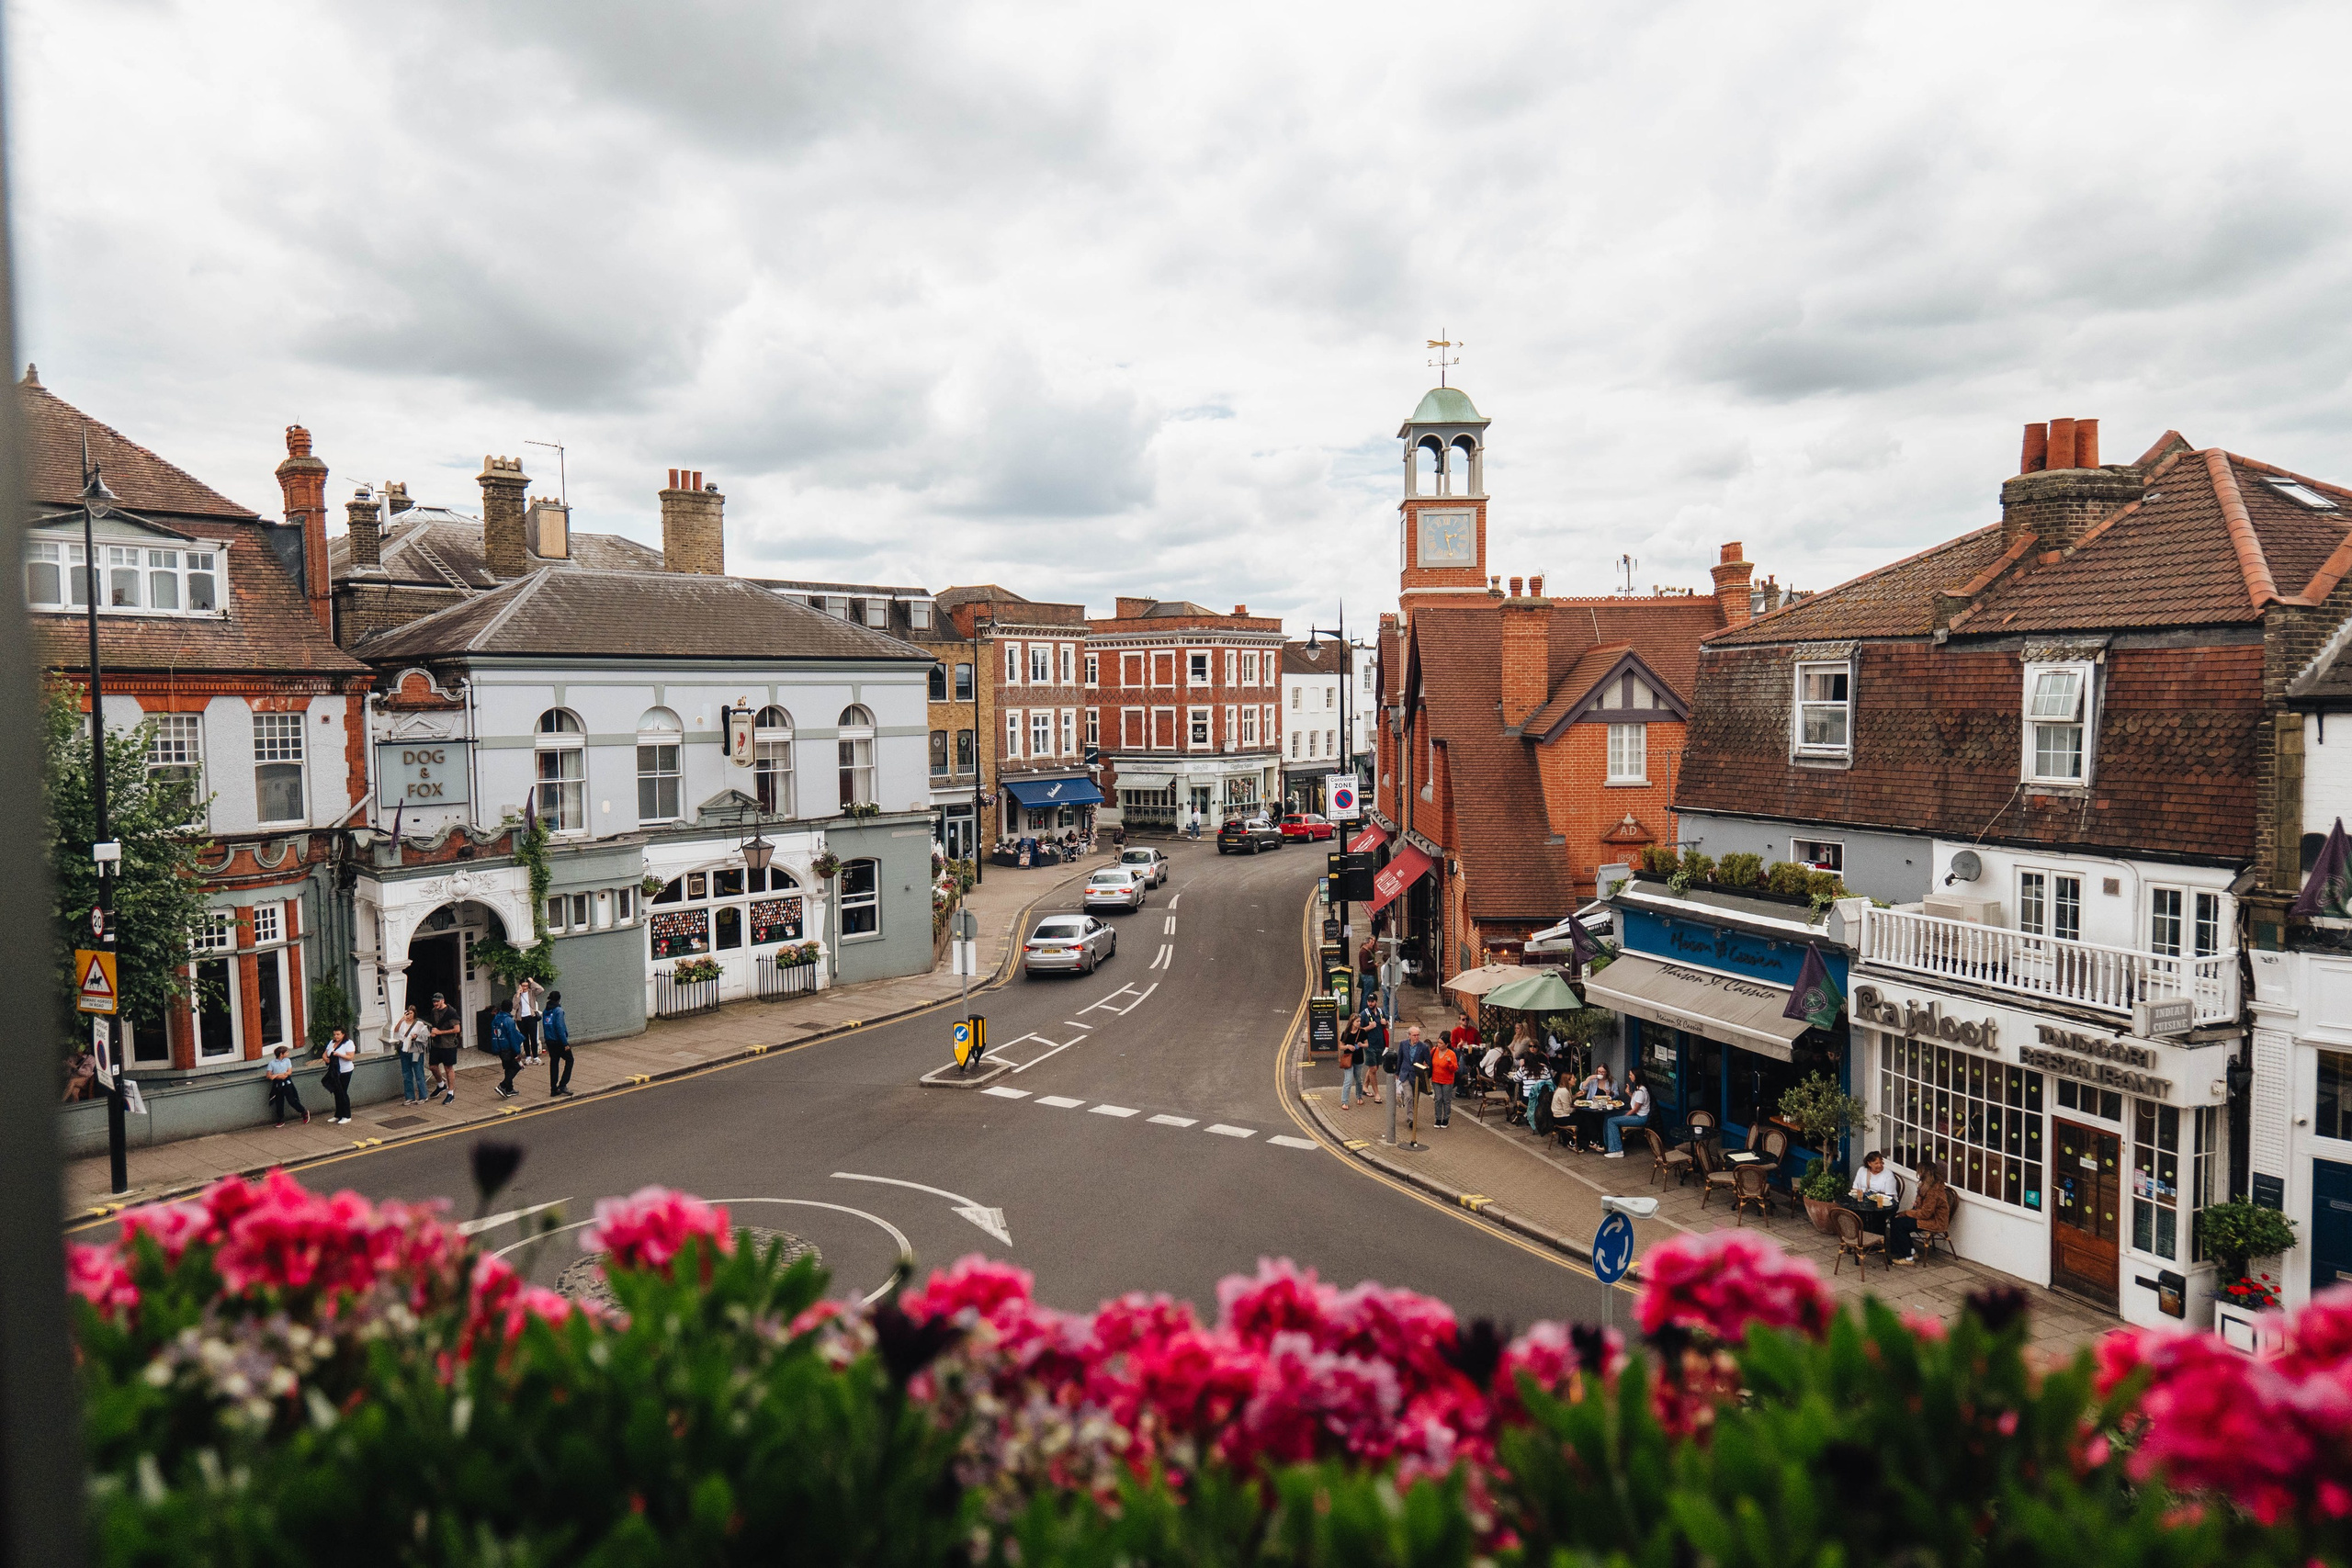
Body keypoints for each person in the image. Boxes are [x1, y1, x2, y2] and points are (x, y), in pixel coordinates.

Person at [1889, 1160, 1951, 1265]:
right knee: (1895, 1219)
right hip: (1925, 1216)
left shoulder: (1933, 1191)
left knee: (1900, 1224)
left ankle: (1908, 1258)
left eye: (1919, 1172)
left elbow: (1925, 1214)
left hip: (1934, 1221)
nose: (1918, 1174)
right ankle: (1911, 1251)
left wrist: (1906, 1213)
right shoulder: (1927, 1186)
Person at [1850, 1150, 1901, 1233]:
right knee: (1856, 1212)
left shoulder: (1888, 1174)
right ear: (1869, 1163)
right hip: (1866, 1200)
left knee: (1876, 1216)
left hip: (1886, 1203)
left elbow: (1889, 1197)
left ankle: (1878, 1240)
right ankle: (1860, 1237)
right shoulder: (1862, 1170)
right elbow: (1855, 1188)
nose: (1880, 1165)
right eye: (1876, 1163)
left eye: (1881, 1162)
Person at [1604, 1067, 1652, 1156]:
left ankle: (1617, 1150)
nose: (1629, 1077)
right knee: (1608, 1115)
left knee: (1612, 1121)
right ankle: (1608, 1145)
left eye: (1631, 1075)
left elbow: (1635, 1110)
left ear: (1636, 1077)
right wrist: (1629, 1093)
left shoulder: (1642, 1091)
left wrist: (1625, 1117)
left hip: (1640, 1118)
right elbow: (1636, 1101)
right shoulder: (1638, 1088)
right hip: (1636, 1114)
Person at [425, 992, 461, 1106]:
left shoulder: (451, 1013)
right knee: (432, 1066)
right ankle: (441, 1085)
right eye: (434, 1001)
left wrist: (440, 1032)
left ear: (443, 1000)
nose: (435, 1003)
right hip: (437, 1044)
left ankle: (450, 1093)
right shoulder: (433, 1011)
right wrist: (433, 1033)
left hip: (448, 1045)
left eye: (437, 1001)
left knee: (448, 1068)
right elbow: (434, 1025)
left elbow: (457, 1029)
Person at [390, 1003, 431, 1105]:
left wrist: (416, 1036)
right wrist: (401, 1019)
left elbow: (426, 1036)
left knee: (418, 1073)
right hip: (404, 1050)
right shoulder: (403, 1023)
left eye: (411, 1013)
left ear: (414, 1013)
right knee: (406, 1074)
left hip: (415, 1050)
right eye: (408, 1013)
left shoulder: (419, 1024)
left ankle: (423, 1095)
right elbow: (395, 1031)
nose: (409, 1015)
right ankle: (410, 1097)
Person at [265, 1043, 310, 1127]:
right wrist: (277, 1076)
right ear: (281, 1054)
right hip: (278, 1085)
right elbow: (269, 1075)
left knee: (291, 1100)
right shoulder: (272, 1063)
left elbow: (288, 1073)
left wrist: (276, 1075)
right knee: (279, 1102)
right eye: (286, 1052)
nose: (288, 1053)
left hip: (287, 1083)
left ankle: (303, 1111)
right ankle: (280, 1119)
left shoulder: (287, 1061)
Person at [490, 1000, 525, 1099]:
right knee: (516, 1067)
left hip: (500, 1048)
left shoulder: (496, 1019)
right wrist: (517, 1051)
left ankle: (509, 1089)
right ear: (510, 1008)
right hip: (508, 1048)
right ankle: (503, 1085)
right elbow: (512, 1036)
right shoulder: (508, 1020)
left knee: (508, 1067)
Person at [322, 1026, 356, 1124]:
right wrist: (326, 1059)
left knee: (342, 1092)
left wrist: (339, 1055)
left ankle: (347, 1115)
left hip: (345, 1071)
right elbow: (324, 1054)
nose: (336, 1036)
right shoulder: (332, 1043)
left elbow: (350, 1057)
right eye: (334, 1034)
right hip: (334, 1071)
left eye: (338, 1034)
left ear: (343, 1034)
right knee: (337, 1092)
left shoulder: (348, 1043)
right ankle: (338, 1115)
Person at [544, 988, 574, 1097]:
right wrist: (565, 1043)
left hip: (549, 1041)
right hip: (558, 1041)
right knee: (570, 1060)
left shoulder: (546, 1011)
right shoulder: (558, 1011)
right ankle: (562, 1085)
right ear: (559, 999)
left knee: (554, 1063)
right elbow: (560, 1027)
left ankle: (553, 1089)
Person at [1430, 1032, 1458, 1128]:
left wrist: (1450, 1062)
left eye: (1441, 1043)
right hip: (1436, 1079)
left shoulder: (1451, 1054)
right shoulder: (1434, 1050)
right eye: (1438, 1042)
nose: (1439, 1045)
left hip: (1447, 1081)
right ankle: (1438, 1118)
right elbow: (1429, 1061)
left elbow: (1454, 1069)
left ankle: (1446, 1119)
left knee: (1446, 1100)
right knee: (1438, 1099)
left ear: (1447, 1044)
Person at [514, 976, 545, 1066]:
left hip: (531, 1017)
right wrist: (518, 994)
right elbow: (515, 1006)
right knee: (525, 1038)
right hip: (521, 1019)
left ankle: (535, 1057)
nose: (525, 988)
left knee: (533, 1037)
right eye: (523, 986)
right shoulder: (517, 995)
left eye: (527, 986)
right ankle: (528, 1057)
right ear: (520, 986)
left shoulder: (532, 993)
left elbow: (541, 989)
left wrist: (532, 982)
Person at [1337, 1016, 1361, 1110]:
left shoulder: (1361, 1032)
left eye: (1360, 1021)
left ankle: (1359, 1096)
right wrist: (1347, 1046)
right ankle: (1345, 1102)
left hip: (1359, 1059)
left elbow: (1367, 1044)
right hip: (1348, 1060)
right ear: (1352, 1022)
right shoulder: (1346, 1033)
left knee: (1359, 1080)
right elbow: (1340, 1046)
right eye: (1357, 1021)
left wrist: (1361, 1045)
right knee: (1348, 1081)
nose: (1359, 1023)